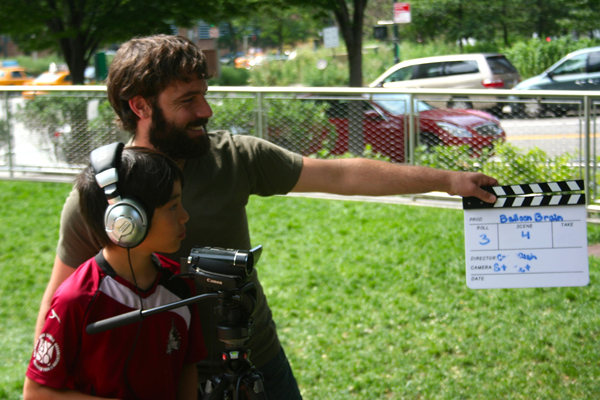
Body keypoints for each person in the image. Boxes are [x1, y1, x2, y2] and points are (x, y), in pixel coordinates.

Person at [34, 35, 498, 399]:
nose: (206, 110)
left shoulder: (235, 158)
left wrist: (446, 180)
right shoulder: (104, 199)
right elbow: (57, 310)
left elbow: (342, 177)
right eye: (187, 100)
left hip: (257, 363)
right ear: (139, 106)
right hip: (164, 378)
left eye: (205, 95)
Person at [25, 145, 206, 399]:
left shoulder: (180, 285)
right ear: (126, 221)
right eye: (172, 206)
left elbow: (188, 367)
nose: (185, 216)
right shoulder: (76, 299)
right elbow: (36, 393)